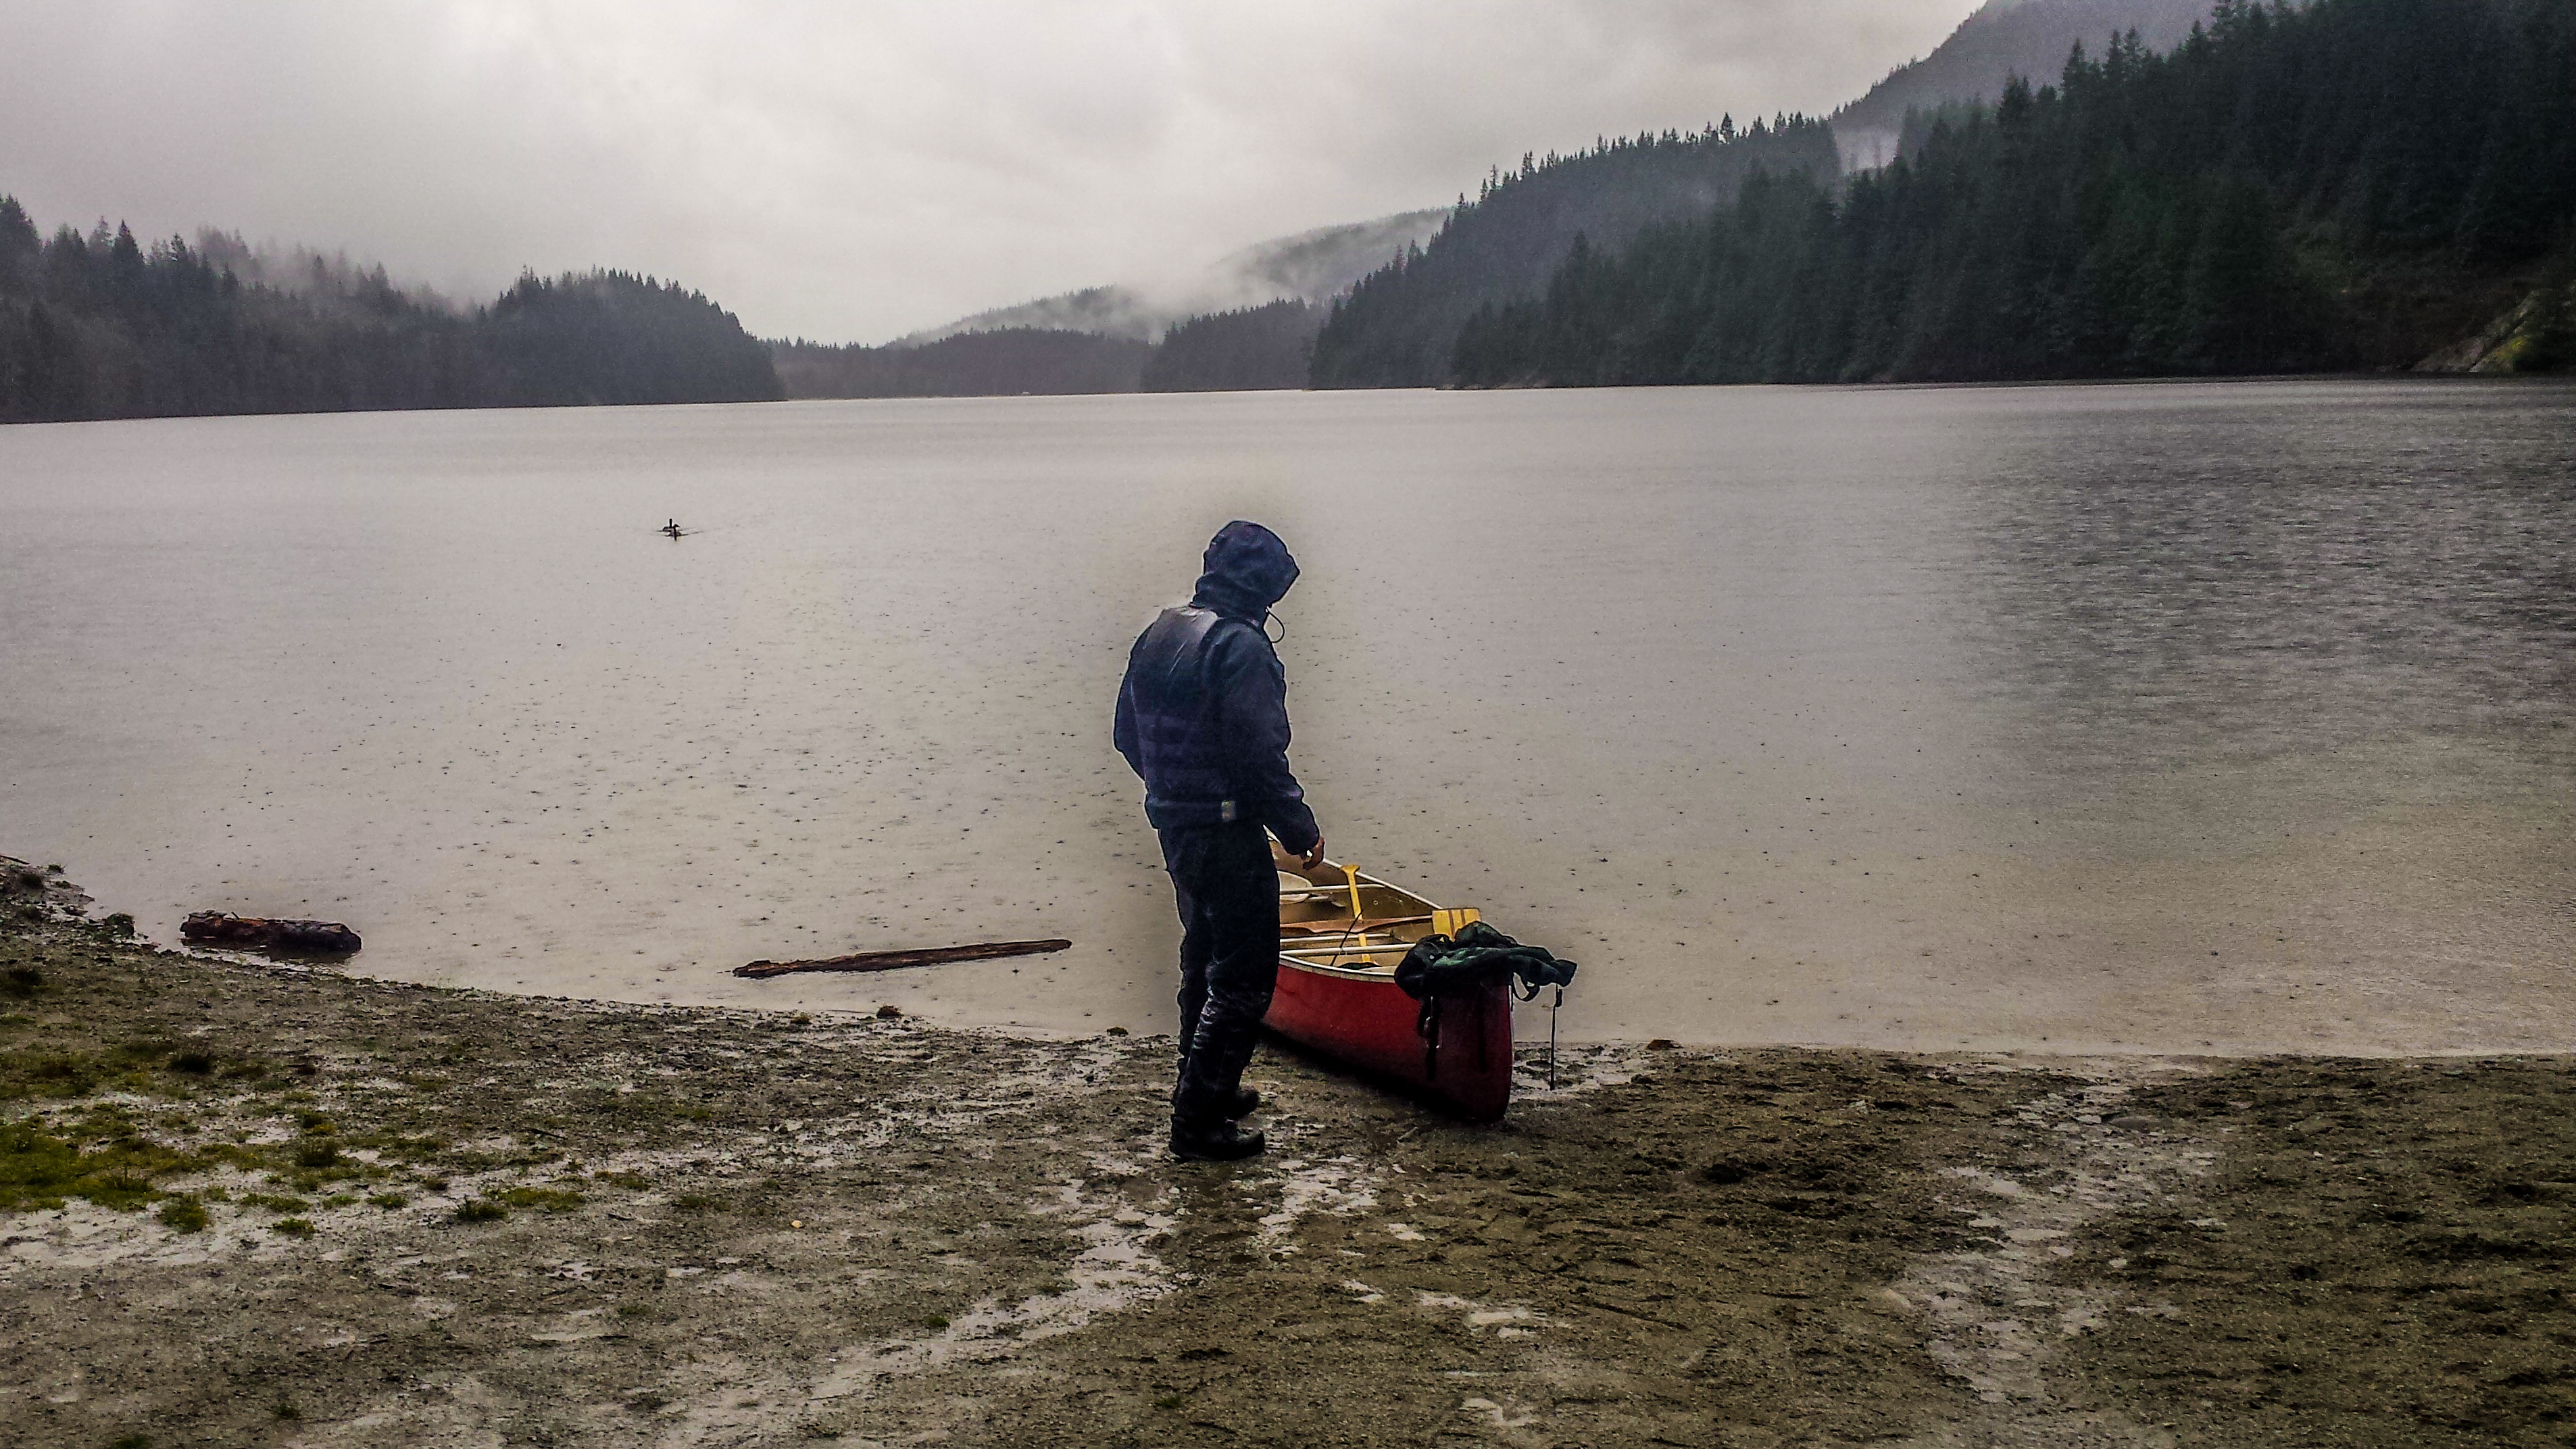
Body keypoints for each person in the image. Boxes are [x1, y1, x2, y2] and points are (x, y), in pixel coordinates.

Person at [1114, 521, 1324, 1161]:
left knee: (1202, 955)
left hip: (1175, 822)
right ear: (1264, 588)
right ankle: (1199, 1121)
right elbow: (1261, 757)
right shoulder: (1242, 647)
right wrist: (1300, 830)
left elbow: (1127, 735)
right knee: (1244, 977)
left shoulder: (1161, 631)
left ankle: (1206, 1086)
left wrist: (1174, 794)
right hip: (1226, 828)